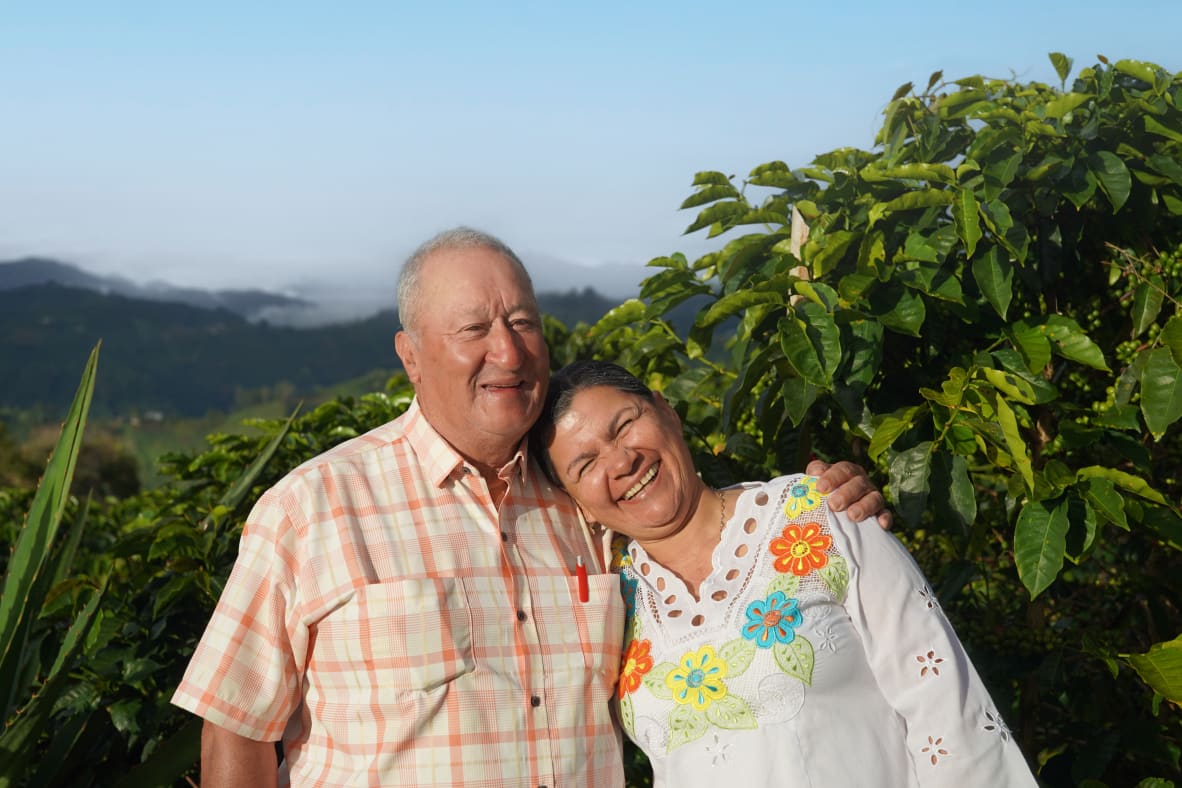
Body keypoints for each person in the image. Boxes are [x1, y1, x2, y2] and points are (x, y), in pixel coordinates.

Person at [171, 228, 890, 787]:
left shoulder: (586, 498)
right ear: (410, 356)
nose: (508, 353)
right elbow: (235, 725)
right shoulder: (314, 507)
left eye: (522, 322)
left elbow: (703, 535)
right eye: (473, 330)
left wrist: (815, 507)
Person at [532, 360, 1038, 787]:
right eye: (586, 463)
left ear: (667, 411)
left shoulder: (819, 514)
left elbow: (948, 713)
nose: (621, 461)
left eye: (624, 426)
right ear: (578, 506)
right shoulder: (613, 606)